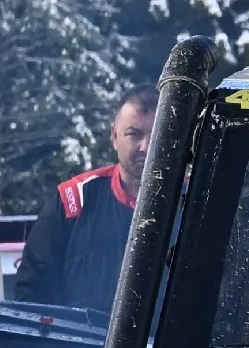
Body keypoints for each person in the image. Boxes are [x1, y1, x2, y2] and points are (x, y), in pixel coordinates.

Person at [13, 86, 155, 310]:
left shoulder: (195, 205)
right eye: (134, 134)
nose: (145, 147)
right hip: (82, 344)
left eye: (158, 135)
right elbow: (32, 294)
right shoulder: (73, 200)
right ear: (114, 136)